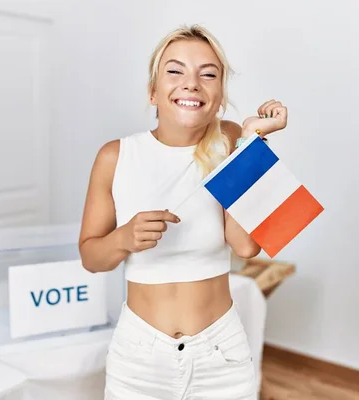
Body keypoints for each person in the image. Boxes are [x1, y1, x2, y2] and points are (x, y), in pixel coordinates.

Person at [78, 24, 287, 400]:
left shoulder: (230, 142)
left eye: (208, 74)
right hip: (138, 358)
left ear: (220, 95)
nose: (191, 83)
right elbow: (92, 258)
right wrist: (123, 238)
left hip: (221, 354)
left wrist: (250, 143)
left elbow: (246, 247)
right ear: (153, 91)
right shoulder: (115, 156)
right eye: (175, 71)